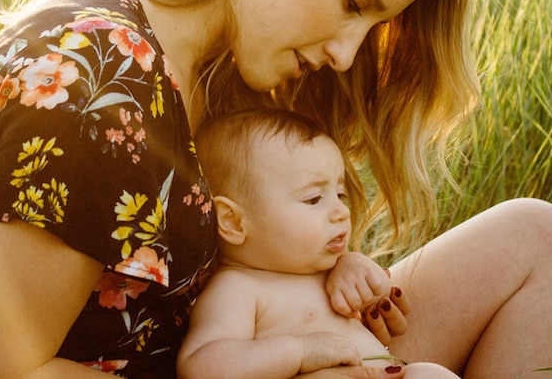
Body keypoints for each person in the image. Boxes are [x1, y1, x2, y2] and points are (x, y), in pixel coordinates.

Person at [0, 0, 552, 377]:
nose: (347, 54)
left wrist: (338, 273)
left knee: (539, 239)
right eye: (353, 3)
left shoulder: (206, 60)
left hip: (256, 344)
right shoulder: (97, 89)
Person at [178, 107, 459, 379]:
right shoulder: (238, 289)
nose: (342, 212)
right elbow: (201, 367)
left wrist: (364, 277)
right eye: (314, 199)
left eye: (340, 194)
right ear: (234, 222)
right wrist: (299, 352)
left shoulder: (331, 269)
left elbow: (377, 302)